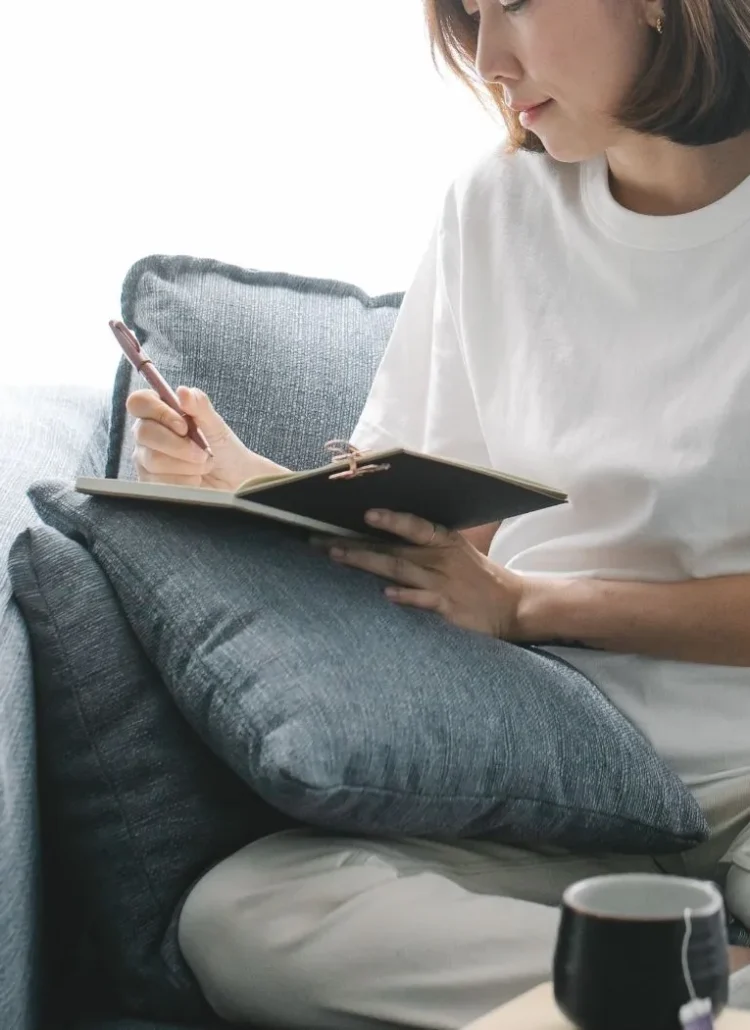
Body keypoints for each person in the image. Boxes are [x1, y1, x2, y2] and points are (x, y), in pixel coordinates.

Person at [126, 0, 750, 1025]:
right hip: (561, 775)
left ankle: (630, 987)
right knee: (248, 915)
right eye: (466, 16)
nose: (489, 61)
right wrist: (244, 482)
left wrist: (535, 605)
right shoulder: (494, 209)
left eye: (514, 3)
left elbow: (505, 594)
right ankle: (692, 986)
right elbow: (433, 531)